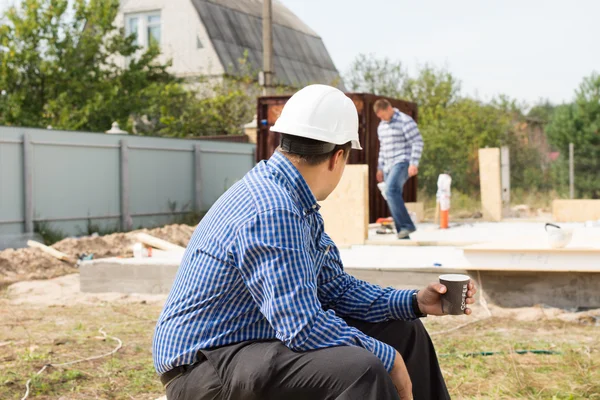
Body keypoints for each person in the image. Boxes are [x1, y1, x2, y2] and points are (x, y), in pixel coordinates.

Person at [153, 85, 477, 400]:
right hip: (203, 370)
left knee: (404, 332)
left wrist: (414, 302)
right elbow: (302, 326)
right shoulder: (273, 209)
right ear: (338, 157)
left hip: (249, 347)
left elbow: (336, 289)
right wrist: (388, 359)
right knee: (362, 367)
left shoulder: (294, 199)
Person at [374, 99, 424, 239]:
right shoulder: (382, 126)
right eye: (380, 117)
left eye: (383, 115)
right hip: (388, 165)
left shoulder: (404, 121)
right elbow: (383, 148)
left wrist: (414, 163)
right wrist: (380, 167)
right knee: (391, 195)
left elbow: (417, 141)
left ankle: (407, 226)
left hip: (403, 161)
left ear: (389, 108)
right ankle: (402, 233)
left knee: (391, 190)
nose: (382, 119)